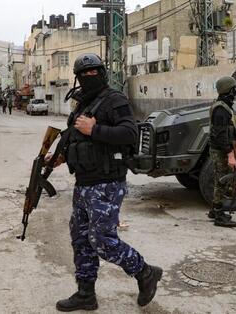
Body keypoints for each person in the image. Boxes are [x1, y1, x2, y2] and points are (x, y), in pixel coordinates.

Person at [47, 53, 162, 312]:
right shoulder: (82, 105)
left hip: (107, 183)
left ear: (102, 73)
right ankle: (86, 294)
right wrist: (60, 157)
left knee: (102, 240)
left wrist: (95, 130)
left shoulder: (114, 100)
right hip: (84, 183)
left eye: (94, 72)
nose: (89, 77)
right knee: (80, 239)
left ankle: (145, 272)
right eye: (84, 74)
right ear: (77, 78)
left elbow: (130, 133)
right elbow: (78, 140)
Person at [208, 76, 236, 228]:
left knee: (219, 180)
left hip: (221, 148)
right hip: (220, 150)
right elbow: (220, 135)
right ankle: (219, 216)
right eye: (233, 89)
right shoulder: (221, 110)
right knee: (221, 181)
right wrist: (230, 154)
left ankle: (214, 210)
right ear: (228, 90)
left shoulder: (224, 107)